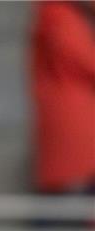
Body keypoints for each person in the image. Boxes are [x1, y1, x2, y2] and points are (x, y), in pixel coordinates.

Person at [31, 1, 95, 193]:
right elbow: (85, 59)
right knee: (65, 204)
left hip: (74, 127)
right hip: (73, 128)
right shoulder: (58, 14)